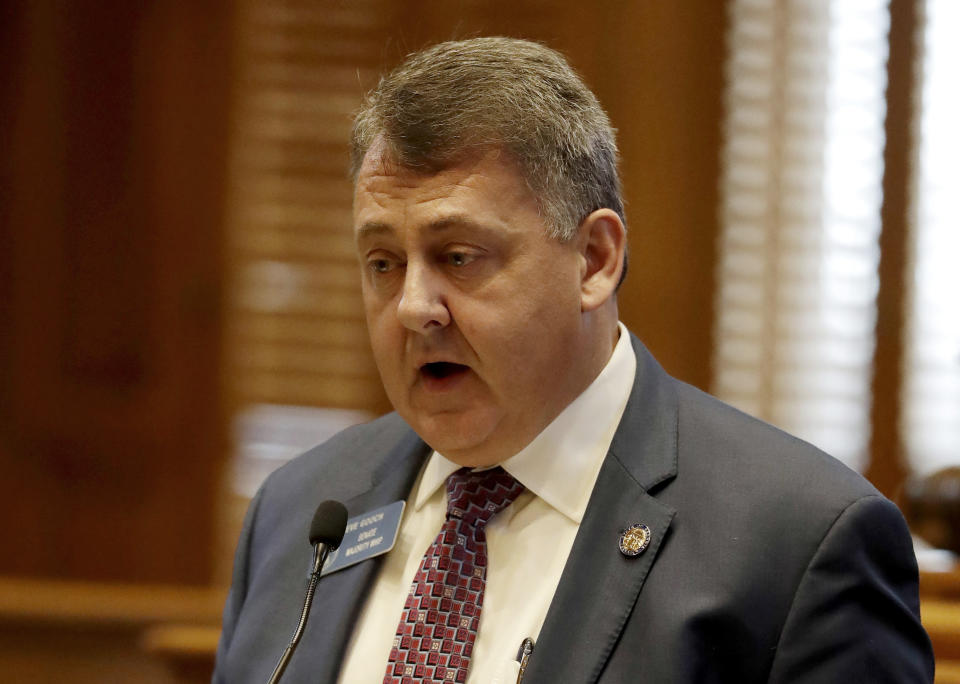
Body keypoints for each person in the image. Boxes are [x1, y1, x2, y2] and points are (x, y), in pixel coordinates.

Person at [213, 37, 934, 683]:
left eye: (459, 257)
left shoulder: (797, 545)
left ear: (594, 260)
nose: (412, 307)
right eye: (382, 263)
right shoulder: (301, 512)